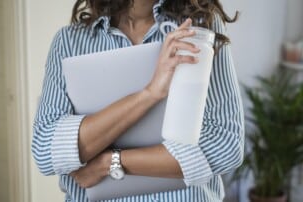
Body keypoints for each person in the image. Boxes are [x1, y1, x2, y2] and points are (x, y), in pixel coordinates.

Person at [32, 0, 244, 201]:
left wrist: (109, 162)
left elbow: (225, 144)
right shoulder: (69, 42)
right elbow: (46, 150)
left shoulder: (198, 26)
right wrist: (150, 94)